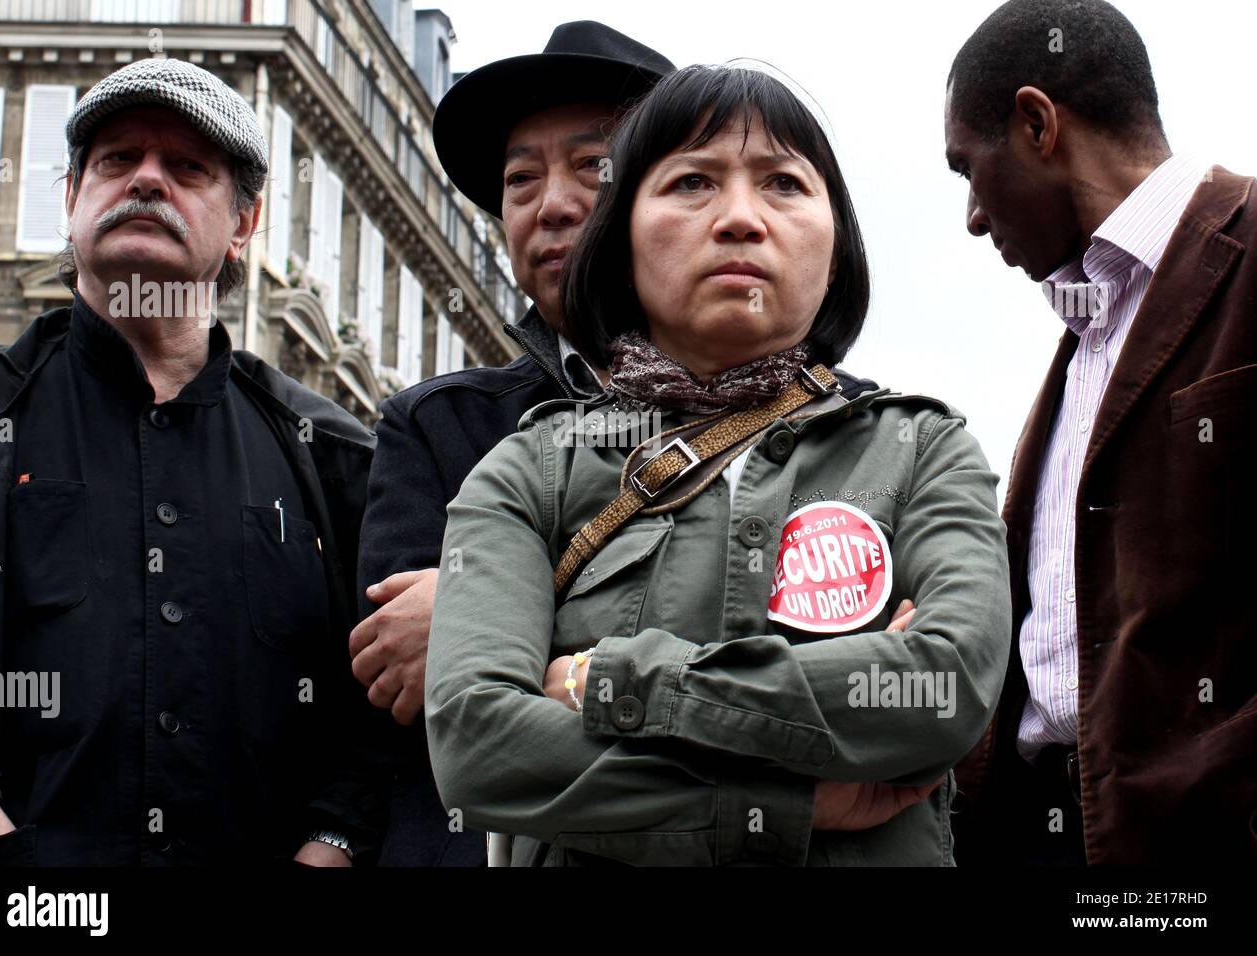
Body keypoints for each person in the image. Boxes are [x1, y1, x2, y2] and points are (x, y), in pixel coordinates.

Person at [424, 63, 1012, 866]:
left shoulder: (923, 451)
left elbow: (941, 687)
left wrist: (608, 683)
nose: (740, 218)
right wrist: (780, 802)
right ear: (620, 237)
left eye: (783, 185)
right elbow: (479, 746)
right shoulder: (528, 473)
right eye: (693, 182)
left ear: (835, 250)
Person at [0, 58, 386, 865]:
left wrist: (329, 845)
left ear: (243, 225)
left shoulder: (333, 460)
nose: (147, 179)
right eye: (118, 160)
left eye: (188, 167)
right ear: (72, 198)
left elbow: (381, 716)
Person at [352, 22, 674, 866]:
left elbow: (828, 678)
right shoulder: (436, 428)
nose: (551, 203)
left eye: (592, 165)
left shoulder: (813, 420)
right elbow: (405, 671)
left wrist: (471, 613)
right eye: (519, 178)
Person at [944, 0, 1257, 864]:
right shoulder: (1085, 337)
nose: (972, 215)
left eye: (968, 168)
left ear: (1038, 123)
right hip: (1042, 829)